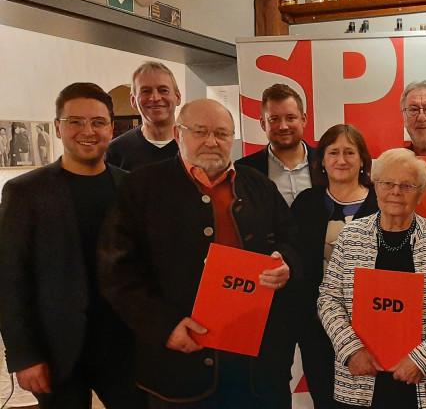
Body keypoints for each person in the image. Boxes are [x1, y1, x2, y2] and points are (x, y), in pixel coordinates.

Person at [98, 99, 301, 408]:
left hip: (258, 371)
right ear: (179, 134)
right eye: (200, 131)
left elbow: (291, 242)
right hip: (179, 370)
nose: (211, 141)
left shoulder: (259, 185)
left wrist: (286, 265)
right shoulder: (141, 187)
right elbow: (116, 272)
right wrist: (163, 325)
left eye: (221, 133)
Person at [0, 82, 145, 408]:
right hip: (56, 349)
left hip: (124, 346)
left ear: (111, 127)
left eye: (97, 122)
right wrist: (24, 355)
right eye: (75, 121)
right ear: (57, 128)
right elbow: (10, 280)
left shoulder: (131, 187)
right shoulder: (25, 192)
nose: (87, 131)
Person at [318, 148, 426, 409]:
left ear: (420, 192)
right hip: (361, 377)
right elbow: (328, 299)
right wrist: (351, 350)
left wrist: (423, 360)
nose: (395, 192)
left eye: (407, 185)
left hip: (425, 382)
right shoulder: (351, 235)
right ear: (376, 186)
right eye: (387, 183)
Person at [290, 124, 378, 409]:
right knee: (325, 399)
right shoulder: (306, 203)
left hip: (371, 328)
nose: (342, 160)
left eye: (350, 152)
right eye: (334, 152)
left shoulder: (382, 200)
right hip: (316, 327)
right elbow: (295, 258)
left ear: (363, 159)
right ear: (322, 161)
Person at [236, 83, 317, 206]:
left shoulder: (325, 162)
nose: (283, 126)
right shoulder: (244, 170)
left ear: (304, 120)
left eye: (290, 118)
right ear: (263, 124)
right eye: (274, 119)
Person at [106, 61, 181, 171]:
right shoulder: (115, 151)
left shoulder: (195, 147)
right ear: (133, 100)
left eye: (163, 90)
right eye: (146, 91)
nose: (155, 98)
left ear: (178, 97)